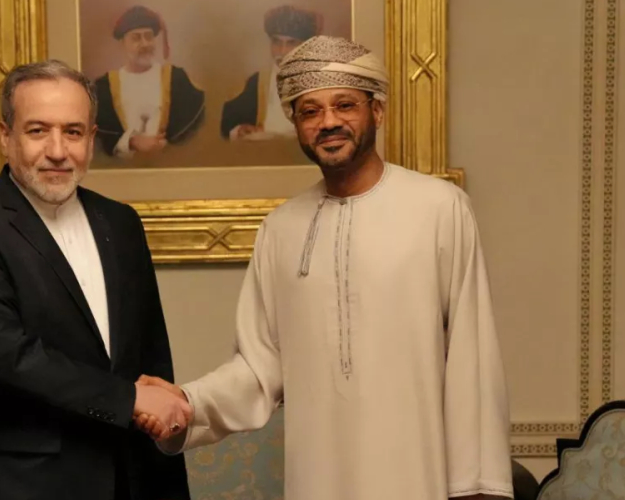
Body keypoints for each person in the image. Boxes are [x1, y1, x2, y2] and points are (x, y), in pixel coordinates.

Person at [138, 36, 514, 500]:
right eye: (310, 111)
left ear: (377, 111)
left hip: (420, 476)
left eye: (345, 105)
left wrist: (476, 487)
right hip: (317, 478)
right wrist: (187, 403)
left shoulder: (440, 209)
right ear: (296, 124)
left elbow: (473, 357)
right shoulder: (280, 229)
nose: (329, 122)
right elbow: (258, 369)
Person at [0, 59, 192, 500]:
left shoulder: (121, 223)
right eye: (38, 131)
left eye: (72, 132)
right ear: (5, 136)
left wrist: (163, 430)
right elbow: (8, 360)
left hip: (132, 479)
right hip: (20, 486)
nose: (57, 150)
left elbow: (151, 356)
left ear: (91, 138)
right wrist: (130, 400)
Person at [94, 5, 205, 159]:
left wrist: (168, 145)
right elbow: (99, 135)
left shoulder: (177, 79)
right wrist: (131, 142)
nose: (145, 44)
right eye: (136, 38)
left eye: (149, 36)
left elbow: (195, 125)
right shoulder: (105, 87)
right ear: (122, 43)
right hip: (122, 169)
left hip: (170, 164)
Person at [220, 5, 321, 141]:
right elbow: (227, 123)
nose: (282, 51)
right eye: (276, 42)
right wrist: (241, 130)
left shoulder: (321, 82)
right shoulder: (256, 82)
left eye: (291, 43)